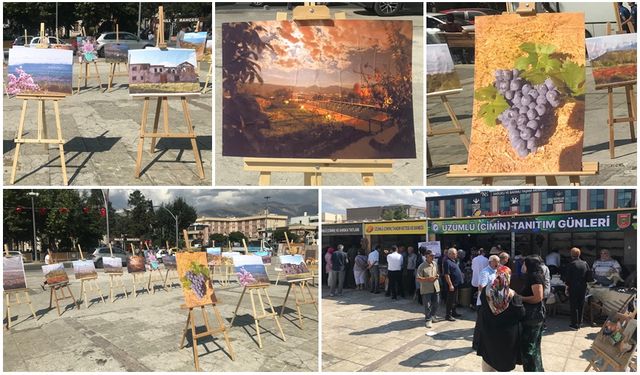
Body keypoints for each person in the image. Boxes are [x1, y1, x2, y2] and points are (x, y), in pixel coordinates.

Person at [475, 266, 525, 372]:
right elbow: (521, 314)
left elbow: (483, 305)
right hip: (506, 336)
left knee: (488, 359)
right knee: (503, 361)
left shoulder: (486, 291)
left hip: (489, 331)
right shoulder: (513, 295)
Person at [520, 255, 546, 372]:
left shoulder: (534, 277)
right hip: (533, 314)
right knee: (534, 347)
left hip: (533, 315)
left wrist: (521, 298)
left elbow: (538, 297)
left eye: (524, 264)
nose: (522, 266)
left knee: (528, 348)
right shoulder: (532, 276)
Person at [472, 254, 499, 350]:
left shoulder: (496, 271)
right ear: (490, 262)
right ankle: (476, 344)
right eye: (496, 261)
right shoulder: (485, 272)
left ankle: (485, 343)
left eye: (498, 262)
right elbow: (481, 287)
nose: (497, 263)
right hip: (484, 303)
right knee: (480, 324)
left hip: (492, 302)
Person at [565, 247, 591, 330]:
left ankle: (574, 324)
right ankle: (580, 322)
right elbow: (589, 276)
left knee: (573, 305)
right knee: (581, 304)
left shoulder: (571, 264)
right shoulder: (585, 263)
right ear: (579, 254)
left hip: (573, 287)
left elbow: (567, 278)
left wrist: (566, 287)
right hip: (583, 286)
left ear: (571, 254)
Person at [416, 250, 440, 328]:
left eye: (433, 255)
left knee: (436, 303)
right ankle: (428, 319)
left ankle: (433, 316)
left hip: (435, 287)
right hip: (426, 289)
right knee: (427, 305)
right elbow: (418, 278)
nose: (433, 257)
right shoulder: (422, 266)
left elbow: (437, 273)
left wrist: (437, 276)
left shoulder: (435, 264)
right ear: (426, 256)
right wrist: (428, 279)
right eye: (431, 255)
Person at [443, 248, 463, 321]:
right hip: (452, 285)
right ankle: (448, 315)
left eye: (456, 253)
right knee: (450, 300)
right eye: (454, 253)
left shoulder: (454, 261)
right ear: (449, 254)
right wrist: (450, 285)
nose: (456, 255)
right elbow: (446, 274)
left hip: (456, 284)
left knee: (455, 300)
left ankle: (454, 312)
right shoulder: (447, 262)